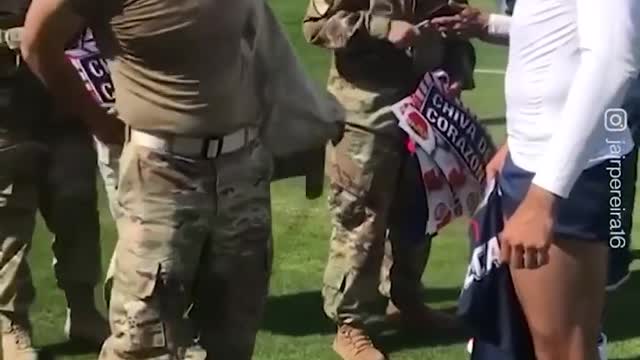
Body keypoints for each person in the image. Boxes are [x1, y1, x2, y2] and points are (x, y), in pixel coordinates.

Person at [20, 0, 343, 359]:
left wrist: (303, 135)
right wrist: (98, 121)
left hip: (242, 168)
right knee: (144, 340)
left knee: (234, 332)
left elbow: (264, 44)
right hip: (160, 174)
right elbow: (37, 43)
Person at [431, 1, 640, 359]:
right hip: (537, 164)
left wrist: (544, 196)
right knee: (535, 341)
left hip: (564, 176)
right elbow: (554, 36)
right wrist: (515, 143)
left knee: (564, 349)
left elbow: (612, 62)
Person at [302, 1, 477, 359]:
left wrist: (459, 67)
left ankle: (406, 302)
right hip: (366, 115)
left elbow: (456, 22)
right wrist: (382, 28)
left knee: (420, 211)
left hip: (425, 108)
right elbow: (317, 27)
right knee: (360, 220)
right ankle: (350, 324)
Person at [1, 7, 108, 359]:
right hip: (6, 114)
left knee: (76, 213)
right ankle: (10, 325)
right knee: (8, 226)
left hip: (63, 105)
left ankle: (83, 311)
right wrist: (17, 37)